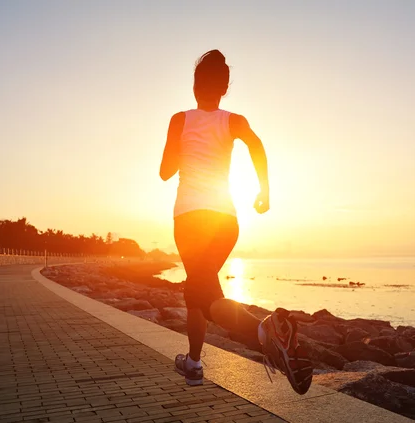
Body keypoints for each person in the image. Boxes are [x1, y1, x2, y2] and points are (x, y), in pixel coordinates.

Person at [159, 50, 313, 395]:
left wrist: (182, 149)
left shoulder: (179, 120)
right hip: (225, 220)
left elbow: (165, 171)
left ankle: (266, 334)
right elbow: (256, 145)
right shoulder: (234, 120)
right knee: (199, 291)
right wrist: (265, 191)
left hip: (189, 219)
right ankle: (194, 364)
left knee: (201, 291)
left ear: (195, 85)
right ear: (225, 88)